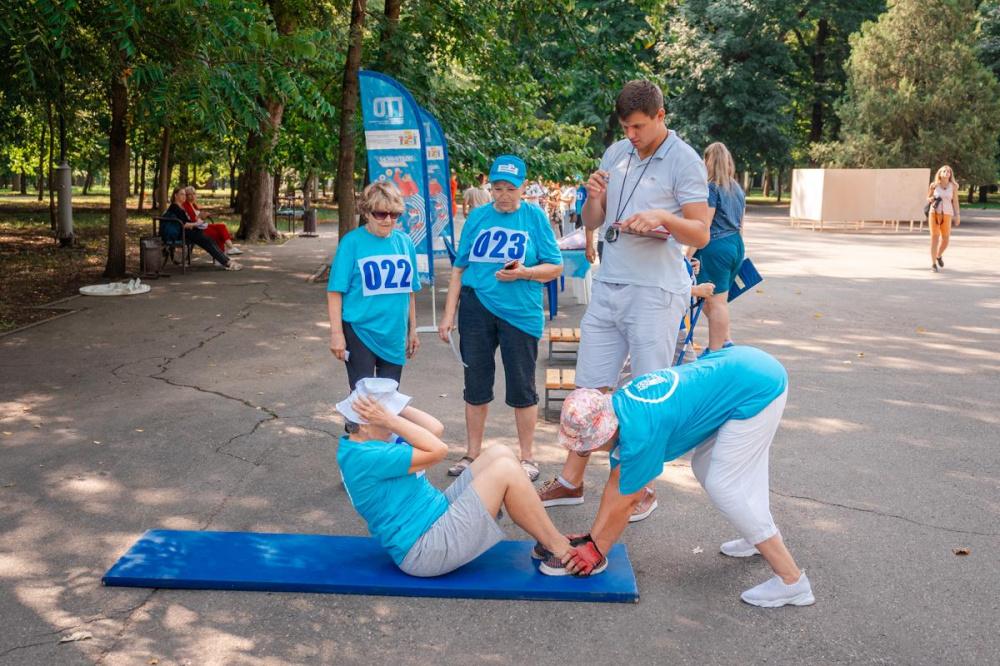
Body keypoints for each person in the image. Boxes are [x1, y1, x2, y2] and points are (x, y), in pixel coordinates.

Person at [537, 79, 710, 519]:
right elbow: (594, 219)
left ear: (660, 116)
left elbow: (700, 232)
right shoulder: (616, 152)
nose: (631, 135)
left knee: (650, 395)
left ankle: (641, 488)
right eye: (625, 127)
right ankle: (571, 482)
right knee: (588, 390)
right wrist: (594, 197)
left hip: (655, 292)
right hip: (610, 283)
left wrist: (662, 218)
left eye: (638, 127)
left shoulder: (685, 160)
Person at [546, 346, 815, 607]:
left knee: (723, 484)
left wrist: (597, 551)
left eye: (585, 446)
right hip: (745, 370)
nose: (585, 452)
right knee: (708, 468)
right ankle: (755, 534)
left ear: (602, 434)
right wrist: (592, 539)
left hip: (759, 386)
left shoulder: (641, 432)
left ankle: (792, 581)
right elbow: (617, 483)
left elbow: (629, 499)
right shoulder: (620, 407)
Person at [336, 378, 574, 577]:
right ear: (365, 424)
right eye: (383, 418)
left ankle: (546, 540)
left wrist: (393, 407)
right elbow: (438, 450)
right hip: (425, 549)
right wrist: (390, 420)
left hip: (437, 517)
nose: (391, 425)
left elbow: (435, 429)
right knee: (505, 470)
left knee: (499, 452)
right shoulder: (367, 456)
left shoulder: (371, 441)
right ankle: (560, 549)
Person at [437, 155, 563, 482]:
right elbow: (459, 269)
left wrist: (526, 273)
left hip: (520, 313)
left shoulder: (535, 218)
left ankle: (528, 457)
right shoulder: (478, 218)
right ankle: (472, 454)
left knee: (522, 386)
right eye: (498, 188)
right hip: (476, 308)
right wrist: (448, 315)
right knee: (475, 383)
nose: (504, 195)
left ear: (523, 187)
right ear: (489, 188)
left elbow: (556, 266)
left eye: (511, 188)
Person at [327, 181, 420, 390]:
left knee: (389, 399)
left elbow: (410, 292)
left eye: (394, 215)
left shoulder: (405, 242)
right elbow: (335, 292)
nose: (388, 220)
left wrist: (413, 330)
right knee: (363, 396)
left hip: (394, 333)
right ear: (367, 212)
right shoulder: (351, 243)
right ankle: (354, 424)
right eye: (381, 214)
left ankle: (365, 424)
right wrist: (336, 334)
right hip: (360, 331)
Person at [685, 142, 745, 353]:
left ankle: (716, 350)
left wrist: (687, 254)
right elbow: (741, 223)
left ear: (708, 161)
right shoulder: (736, 187)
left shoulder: (712, 187)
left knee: (716, 302)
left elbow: (704, 225)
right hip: (735, 244)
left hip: (716, 246)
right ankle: (724, 339)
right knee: (712, 300)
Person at [161, 187, 242, 270]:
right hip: (181, 234)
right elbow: (184, 224)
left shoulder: (180, 207)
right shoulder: (175, 207)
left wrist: (197, 223)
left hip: (188, 232)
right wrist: (196, 223)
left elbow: (186, 222)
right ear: (175, 195)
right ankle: (227, 263)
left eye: (185, 195)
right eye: (182, 194)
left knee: (209, 240)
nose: (184, 196)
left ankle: (226, 261)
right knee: (208, 241)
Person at [182, 186, 242, 256]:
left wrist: (203, 216)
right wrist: (200, 216)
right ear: (186, 196)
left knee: (222, 226)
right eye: (190, 194)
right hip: (196, 229)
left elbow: (198, 218)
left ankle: (227, 251)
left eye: (194, 194)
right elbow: (191, 221)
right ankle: (226, 252)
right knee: (219, 233)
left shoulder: (194, 205)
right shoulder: (185, 205)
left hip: (202, 226)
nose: (193, 196)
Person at [926, 165, 960, 272]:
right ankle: (933, 264)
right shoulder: (934, 185)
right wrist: (931, 199)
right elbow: (928, 197)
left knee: (945, 240)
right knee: (934, 237)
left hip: (947, 214)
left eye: (948, 171)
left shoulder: (953, 186)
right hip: (934, 213)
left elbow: (955, 201)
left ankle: (938, 255)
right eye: (944, 171)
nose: (947, 172)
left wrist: (957, 214)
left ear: (950, 174)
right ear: (940, 173)